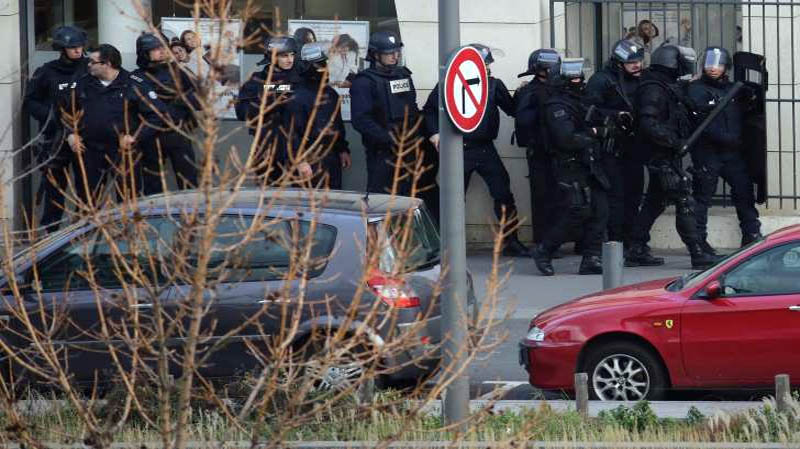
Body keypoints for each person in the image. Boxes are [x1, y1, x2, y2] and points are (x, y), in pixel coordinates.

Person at [422, 44, 530, 257]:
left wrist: (522, 93)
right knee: (453, 199)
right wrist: (434, 133)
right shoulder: (451, 82)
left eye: (488, 64)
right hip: (458, 149)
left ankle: (511, 241)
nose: (488, 68)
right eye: (484, 64)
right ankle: (446, 246)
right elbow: (430, 110)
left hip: (485, 148)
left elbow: (512, 109)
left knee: (503, 194)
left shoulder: (493, 85)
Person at [627, 44, 719, 269]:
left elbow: (682, 111)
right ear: (672, 63)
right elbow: (648, 123)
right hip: (660, 155)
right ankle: (697, 252)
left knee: (654, 202)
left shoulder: (666, 85)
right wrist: (674, 142)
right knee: (684, 199)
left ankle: (636, 248)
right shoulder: (653, 89)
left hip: (666, 153)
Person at [350, 31, 439, 222]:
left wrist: (426, 135)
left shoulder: (403, 75)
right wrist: (390, 139)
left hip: (411, 150)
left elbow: (412, 110)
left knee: (415, 199)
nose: (395, 56)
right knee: (383, 203)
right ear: (375, 54)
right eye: (389, 53)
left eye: (397, 52)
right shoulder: (364, 82)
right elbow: (361, 120)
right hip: (384, 153)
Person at [531, 58, 609, 276]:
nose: (578, 81)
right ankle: (544, 250)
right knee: (576, 211)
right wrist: (594, 133)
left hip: (590, 163)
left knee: (601, 210)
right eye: (573, 78)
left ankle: (591, 257)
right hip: (570, 165)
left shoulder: (581, 100)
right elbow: (566, 138)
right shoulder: (556, 106)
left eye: (579, 77)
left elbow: (598, 118)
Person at [60, 44, 165, 206]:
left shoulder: (134, 84)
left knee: (128, 202)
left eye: (92, 62)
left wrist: (135, 137)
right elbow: (65, 112)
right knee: (87, 202)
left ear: (107, 64)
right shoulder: (82, 83)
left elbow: (157, 115)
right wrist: (70, 134)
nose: (88, 65)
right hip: (90, 151)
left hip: (123, 152)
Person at [688, 46, 762, 249]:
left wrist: (752, 95)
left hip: (732, 153)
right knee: (702, 197)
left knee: (744, 192)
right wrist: (728, 139)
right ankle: (699, 243)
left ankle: (751, 234)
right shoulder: (696, 90)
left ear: (726, 67)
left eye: (718, 64)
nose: (713, 68)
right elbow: (701, 123)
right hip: (707, 152)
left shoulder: (734, 89)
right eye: (709, 64)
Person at [24, 25, 88, 232]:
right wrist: (53, 118)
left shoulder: (89, 68)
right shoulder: (46, 72)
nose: (77, 50)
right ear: (62, 49)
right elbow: (30, 101)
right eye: (72, 47)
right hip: (56, 138)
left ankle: (84, 231)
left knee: (87, 187)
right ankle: (51, 233)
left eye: (80, 46)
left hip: (84, 136)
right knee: (54, 188)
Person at [583, 39, 645, 253]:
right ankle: (616, 244)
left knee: (634, 195)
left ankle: (631, 243)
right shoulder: (602, 80)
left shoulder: (641, 79)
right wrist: (615, 115)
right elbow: (587, 111)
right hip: (610, 148)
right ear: (619, 63)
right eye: (631, 62)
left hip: (634, 147)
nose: (637, 65)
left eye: (639, 61)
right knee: (616, 197)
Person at [236, 35, 311, 183]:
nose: (290, 60)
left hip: (300, 148)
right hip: (267, 148)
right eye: (284, 56)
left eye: (292, 55)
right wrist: (268, 99)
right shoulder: (257, 81)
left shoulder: (301, 80)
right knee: (269, 193)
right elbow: (242, 112)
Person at [131, 32, 199, 196]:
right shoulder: (137, 77)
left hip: (178, 132)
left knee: (189, 183)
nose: (162, 51)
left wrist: (178, 99)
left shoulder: (178, 72)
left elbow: (199, 99)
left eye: (163, 47)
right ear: (144, 52)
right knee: (152, 186)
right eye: (156, 48)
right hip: (151, 136)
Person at [513, 49, 561, 247]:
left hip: (561, 150)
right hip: (540, 150)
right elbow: (523, 120)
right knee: (542, 197)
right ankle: (544, 242)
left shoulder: (559, 88)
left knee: (564, 196)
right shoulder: (529, 92)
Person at [295, 42, 352, 189]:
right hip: (308, 159)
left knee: (334, 199)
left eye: (325, 64)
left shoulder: (331, 94)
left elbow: (337, 126)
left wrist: (342, 149)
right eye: (321, 65)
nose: (325, 68)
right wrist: (300, 160)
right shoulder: (297, 95)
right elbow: (291, 133)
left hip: (331, 157)